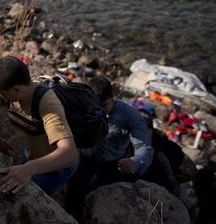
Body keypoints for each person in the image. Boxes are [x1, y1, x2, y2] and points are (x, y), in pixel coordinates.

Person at [0, 56, 79, 196]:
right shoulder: (6, 90)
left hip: (55, 168)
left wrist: (29, 169)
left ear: (16, 89)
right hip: (30, 157)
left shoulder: (47, 104)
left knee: (35, 199)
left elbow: (70, 153)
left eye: (2, 94)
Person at [66, 76, 154, 222]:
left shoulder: (130, 115)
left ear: (113, 97)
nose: (99, 112)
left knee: (103, 204)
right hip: (83, 160)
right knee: (73, 197)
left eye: (104, 106)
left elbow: (144, 147)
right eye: (95, 107)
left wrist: (136, 161)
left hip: (110, 167)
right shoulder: (84, 105)